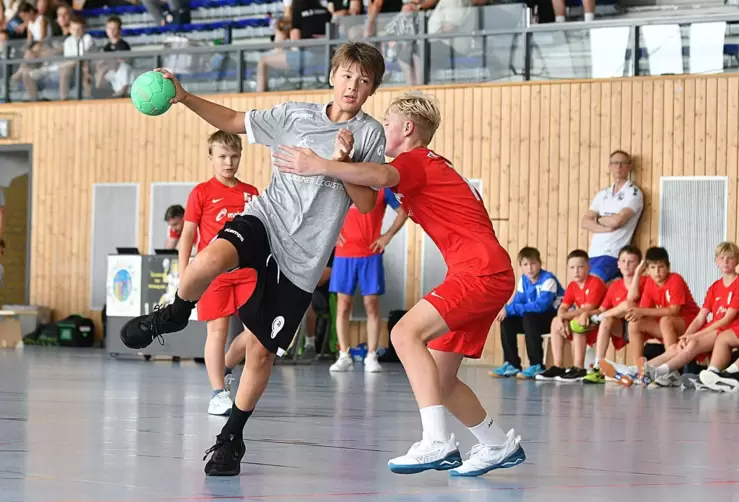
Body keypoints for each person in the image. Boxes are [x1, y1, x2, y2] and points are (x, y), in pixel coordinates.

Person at [119, 41, 387, 477]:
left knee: (261, 354)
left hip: (302, 258)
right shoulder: (294, 114)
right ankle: (174, 315)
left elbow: (365, 204)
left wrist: (333, 163)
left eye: (364, 80)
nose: (352, 85)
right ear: (332, 75)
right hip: (266, 218)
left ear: (372, 88)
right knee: (207, 261)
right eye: (347, 75)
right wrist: (185, 98)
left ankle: (231, 438)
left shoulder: (369, 134)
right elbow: (230, 120)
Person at [272, 92, 525, 477]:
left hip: (480, 272)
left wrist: (319, 164)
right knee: (440, 379)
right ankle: (496, 444)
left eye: (387, 124)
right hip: (481, 273)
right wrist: (343, 161)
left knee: (405, 333)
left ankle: (437, 443)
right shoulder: (427, 167)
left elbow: (380, 176)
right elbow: (368, 195)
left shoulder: (416, 162)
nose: (383, 130)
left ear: (407, 129)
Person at [180, 131, 260, 416]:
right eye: (223, 157)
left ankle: (226, 365)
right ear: (211, 158)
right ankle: (218, 392)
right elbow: (188, 235)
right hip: (214, 275)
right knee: (217, 330)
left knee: (256, 333)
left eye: (234, 156)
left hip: (248, 272)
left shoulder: (251, 192)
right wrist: (185, 276)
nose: (229, 162)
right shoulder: (201, 192)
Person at [638, 242, 739, 388]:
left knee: (693, 343)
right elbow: (700, 317)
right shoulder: (715, 287)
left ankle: (656, 372)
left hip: (732, 328)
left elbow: (727, 319)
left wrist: (694, 336)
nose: (726, 262)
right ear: (716, 261)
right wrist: (687, 335)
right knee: (680, 345)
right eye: (722, 258)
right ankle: (644, 371)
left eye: (730, 258)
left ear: (737, 261)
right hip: (716, 328)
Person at [329, 187, 408, 373]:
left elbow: (403, 212)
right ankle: (343, 355)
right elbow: (319, 210)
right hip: (344, 254)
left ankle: (371, 355)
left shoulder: (382, 189)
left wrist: (386, 236)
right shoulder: (342, 186)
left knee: (371, 305)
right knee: (343, 306)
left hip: (370, 254)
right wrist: (330, 233)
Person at [616, 246, 699, 387]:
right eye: (653, 267)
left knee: (666, 320)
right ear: (647, 269)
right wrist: (635, 313)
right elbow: (644, 310)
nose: (657, 272)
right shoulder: (649, 282)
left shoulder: (675, 279)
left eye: (661, 267)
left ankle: (671, 372)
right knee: (635, 323)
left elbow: (674, 310)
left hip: (689, 324)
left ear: (668, 267)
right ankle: (640, 370)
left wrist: (642, 311)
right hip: (666, 326)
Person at [489, 246, 564, 380]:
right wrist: (505, 310)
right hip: (533, 320)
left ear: (540, 264)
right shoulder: (524, 280)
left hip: (553, 319)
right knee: (508, 321)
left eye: (533, 263)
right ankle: (512, 364)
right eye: (525, 264)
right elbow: (518, 301)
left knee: (529, 317)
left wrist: (510, 309)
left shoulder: (548, 280)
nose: (530, 268)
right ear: (521, 266)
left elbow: (540, 307)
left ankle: (536, 365)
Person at [535, 250, 607, 382]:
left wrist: (564, 317)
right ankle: (558, 366)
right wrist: (561, 318)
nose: (576, 271)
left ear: (588, 267)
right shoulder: (572, 286)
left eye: (580, 267)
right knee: (556, 321)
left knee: (576, 323)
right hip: (584, 320)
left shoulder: (596, 283)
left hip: (599, 322)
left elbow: (589, 308)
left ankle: (579, 368)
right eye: (572, 267)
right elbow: (563, 307)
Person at [585, 245, 646, 384]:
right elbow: (601, 309)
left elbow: (631, 302)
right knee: (607, 320)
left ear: (639, 265)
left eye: (631, 262)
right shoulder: (614, 285)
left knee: (627, 305)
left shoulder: (646, 282)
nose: (626, 265)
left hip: (639, 326)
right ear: (618, 264)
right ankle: (597, 366)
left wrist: (602, 315)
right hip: (621, 327)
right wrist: (585, 314)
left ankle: (638, 372)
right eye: (623, 261)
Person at [580, 150, 644, 283]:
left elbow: (618, 220)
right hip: (594, 252)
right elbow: (585, 222)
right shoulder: (603, 194)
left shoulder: (633, 193)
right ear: (609, 167)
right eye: (615, 163)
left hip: (613, 253)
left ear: (629, 166)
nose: (618, 167)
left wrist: (598, 219)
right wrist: (605, 227)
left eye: (622, 163)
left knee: (593, 285)